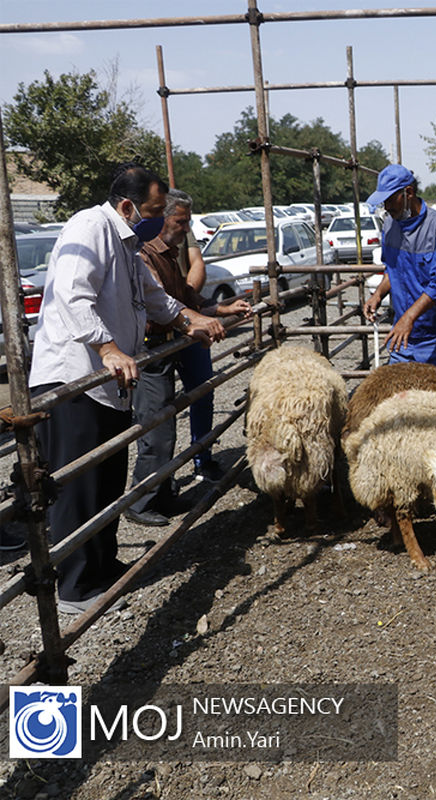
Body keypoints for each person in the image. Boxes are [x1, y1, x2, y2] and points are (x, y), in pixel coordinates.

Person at [30, 164, 226, 614]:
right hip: (74, 376)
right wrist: (108, 349)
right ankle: (75, 589)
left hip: (111, 378)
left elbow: (152, 297)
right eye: (154, 211)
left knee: (107, 477)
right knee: (79, 482)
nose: (157, 220)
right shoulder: (89, 228)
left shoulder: (128, 243)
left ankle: (102, 565)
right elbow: (71, 294)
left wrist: (189, 321)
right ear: (127, 206)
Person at [125, 189, 251, 527]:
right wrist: (196, 320)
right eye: (181, 221)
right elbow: (165, 307)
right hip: (151, 348)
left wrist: (222, 309)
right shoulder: (146, 257)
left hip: (168, 344)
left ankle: (162, 494)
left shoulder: (167, 255)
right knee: (155, 425)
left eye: (187, 221)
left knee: (165, 422)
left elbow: (187, 300)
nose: (186, 228)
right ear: (164, 219)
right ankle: (141, 500)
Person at [362, 164, 436, 371]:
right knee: (400, 395)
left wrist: (408, 317)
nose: (387, 207)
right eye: (384, 201)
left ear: (408, 192)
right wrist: (378, 295)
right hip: (405, 336)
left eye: (390, 199)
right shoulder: (390, 225)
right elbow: (393, 269)